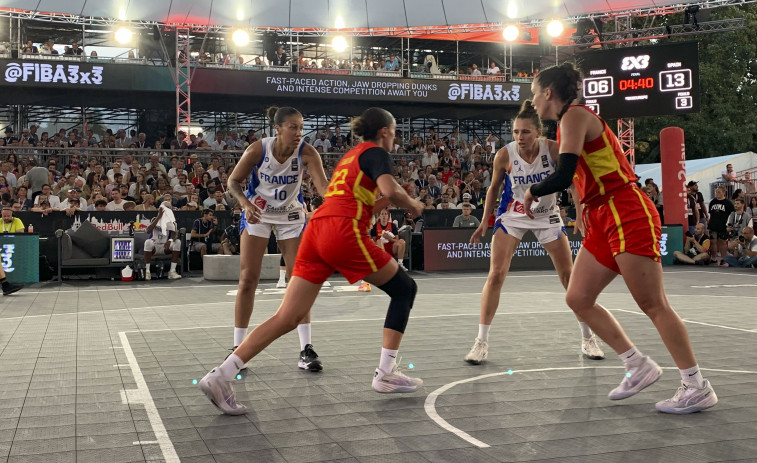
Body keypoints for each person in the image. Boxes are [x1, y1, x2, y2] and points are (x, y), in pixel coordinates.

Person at [198, 107, 425, 415]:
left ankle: (221, 375)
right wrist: (412, 203)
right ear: (384, 131)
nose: (395, 137)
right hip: (338, 230)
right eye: (394, 131)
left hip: (314, 228)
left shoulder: (349, 157)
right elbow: (389, 189)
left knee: (287, 316)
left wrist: (385, 204)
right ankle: (386, 373)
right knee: (404, 289)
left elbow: (355, 199)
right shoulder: (376, 152)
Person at [522, 63, 717, 414]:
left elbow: (565, 173)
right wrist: (582, 209)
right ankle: (637, 364)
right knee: (578, 298)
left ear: (548, 92)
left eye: (535, 92)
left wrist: (532, 190)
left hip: (625, 209)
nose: (532, 100)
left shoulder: (575, 116)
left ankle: (696, 385)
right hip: (603, 215)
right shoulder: (570, 123)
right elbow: (581, 173)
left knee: (652, 303)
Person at [465, 100, 604, 366]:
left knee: (569, 278)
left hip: (547, 216)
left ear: (538, 132)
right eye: (516, 132)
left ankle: (588, 337)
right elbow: (493, 189)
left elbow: (574, 185)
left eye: (525, 132)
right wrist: (485, 220)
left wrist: (580, 215)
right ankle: (480, 342)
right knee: (496, 275)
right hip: (513, 216)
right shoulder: (504, 155)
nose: (520, 137)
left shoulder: (552, 150)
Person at [225, 106, 329, 373]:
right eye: (293, 127)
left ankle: (306, 349)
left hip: (291, 215)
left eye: (301, 127)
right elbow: (233, 182)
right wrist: (245, 203)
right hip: (258, 211)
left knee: (300, 281)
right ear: (278, 128)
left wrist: (345, 198)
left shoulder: (307, 152)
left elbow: (324, 188)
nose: (298, 132)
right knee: (248, 278)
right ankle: (238, 348)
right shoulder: (258, 150)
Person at [143, 205, 182, 280]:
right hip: (155, 246)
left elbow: (175, 234)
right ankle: (147, 271)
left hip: (165, 247)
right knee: (148, 242)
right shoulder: (154, 219)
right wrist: (159, 217)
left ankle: (172, 271)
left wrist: (170, 240)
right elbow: (148, 231)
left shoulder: (172, 222)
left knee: (177, 242)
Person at [708, 186, 734, 266]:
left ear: (723, 192)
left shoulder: (728, 203)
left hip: (723, 226)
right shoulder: (712, 202)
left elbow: (732, 215)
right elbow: (711, 214)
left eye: (719, 192)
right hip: (713, 225)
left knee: (722, 242)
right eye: (716, 192)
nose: (717, 193)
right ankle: (713, 258)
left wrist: (729, 226)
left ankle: (724, 259)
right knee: (713, 242)